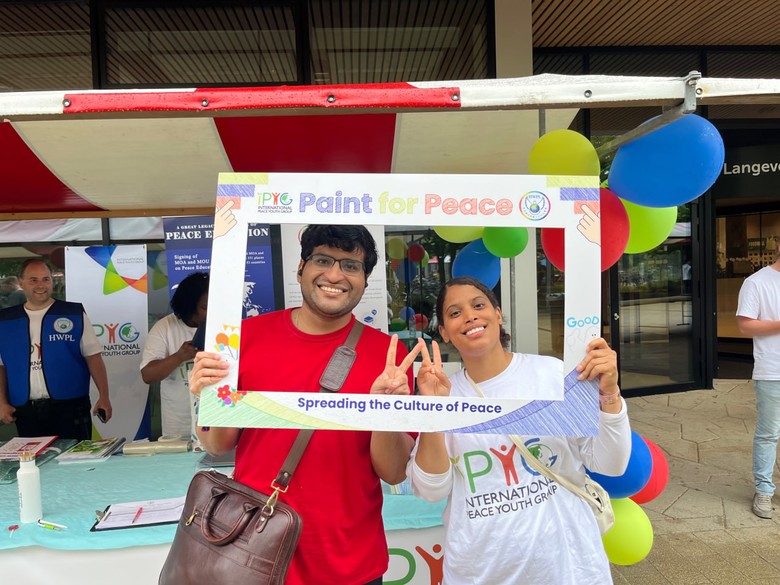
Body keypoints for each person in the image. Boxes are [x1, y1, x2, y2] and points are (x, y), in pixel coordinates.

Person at [190, 225, 421, 585]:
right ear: (301, 268)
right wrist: (207, 394)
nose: (335, 275)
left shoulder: (388, 356)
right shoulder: (243, 339)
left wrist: (384, 412)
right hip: (254, 554)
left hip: (349, 562)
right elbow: (217, 444)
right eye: (323, 260)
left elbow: (393, 472)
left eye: (350, 266)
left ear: (364, 280)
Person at [408, 276, 632, 585]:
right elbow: (431, 491)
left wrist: (609, 394)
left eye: (478, 305)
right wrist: (435, 411)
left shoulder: (551, 375)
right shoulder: (442, 394)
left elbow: (611, 463)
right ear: (445, 332)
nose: (470, 316)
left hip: (570, 568)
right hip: (480, 572)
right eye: (455, 312)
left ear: (498, 314)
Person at [0, 259, 112, 439]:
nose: (41, 285)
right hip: (26, 410)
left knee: (76, 455)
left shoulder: (73, 314)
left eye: (46, 279)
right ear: (21, 282)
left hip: (71, 406)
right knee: (34, 457)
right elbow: (2, 366)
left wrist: (104, 396)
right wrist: (1, 402)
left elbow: (93, 357)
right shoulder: (6, 320)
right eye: (33, 280)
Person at [736, 244, 780, 519]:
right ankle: (764, 490)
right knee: (769, 434)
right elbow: (745, 325)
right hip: (773, 371)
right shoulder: (757, 282)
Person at [140, 272, 208, 444]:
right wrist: (179, 356)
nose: (210, 313)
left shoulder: (224, 326)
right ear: (188, 306)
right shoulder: (165, 327)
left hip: (217, 424)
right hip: (178, 428)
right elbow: (148, 375)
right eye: (205, 307)